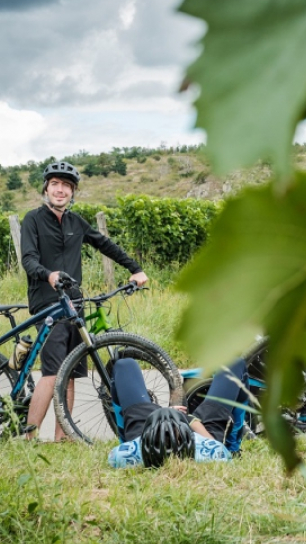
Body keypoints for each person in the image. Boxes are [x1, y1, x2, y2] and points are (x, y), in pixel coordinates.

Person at [20, 160, 148, 441]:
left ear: (72, 192)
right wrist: (48, 274)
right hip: (48, 305)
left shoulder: (76, 222)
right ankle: (28, 439)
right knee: (53, 373)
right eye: (55, 184)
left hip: (74, 305)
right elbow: (28, 259)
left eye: (66, 185)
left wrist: (135, 268)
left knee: (71, 372)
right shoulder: (33, 219)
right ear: (46, 188)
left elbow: (105, 245)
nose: (61, 190)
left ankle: (63, 438)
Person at [108, 358, 249, 468]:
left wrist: (163, 414)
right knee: (234, 363)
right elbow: (217, 446)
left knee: (124, 365)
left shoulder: (130, 452)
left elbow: (114, 455)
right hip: (202, 432)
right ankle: (234, 447)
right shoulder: (208, 451)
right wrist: (189, 420)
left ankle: (129, 435)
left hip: (144, 430)